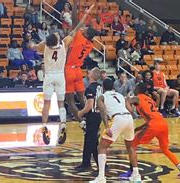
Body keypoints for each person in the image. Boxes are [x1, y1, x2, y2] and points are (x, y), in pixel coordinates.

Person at [31, 4, 95, 145]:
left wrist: (34, 45)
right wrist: (85, 14)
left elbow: (35, 47)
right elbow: (78, 25)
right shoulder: (79, 44)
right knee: (76, 99)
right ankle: (75, 123)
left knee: (59, 102)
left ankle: (44, 126)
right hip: (73, 71)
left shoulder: (46, 46)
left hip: (59, 73)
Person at [120, 83, 180, 180]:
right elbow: (151, 118)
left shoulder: (138, 97)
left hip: (154, 124)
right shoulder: (150, 99)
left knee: (131, 146)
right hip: (162, 123)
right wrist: (139, 128)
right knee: (165, 149)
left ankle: (133, 172)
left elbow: (127, 100)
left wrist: (131, 113)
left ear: (138, 89)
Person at [92, 79, 140, 182]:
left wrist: (107, 126)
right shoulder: (120, 95)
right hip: (128, 118)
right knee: (131, 147)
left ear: (103, 87)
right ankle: (136, 175)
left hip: (117, 118)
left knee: (101, 147)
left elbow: (103, 111)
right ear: (113, 86)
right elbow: (130, 109)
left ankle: (101, 177)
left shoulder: (102, 97)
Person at [65, 26, 97, 131]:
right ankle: (91, 119)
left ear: (87, 35)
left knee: (70, 101)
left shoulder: (79, 38)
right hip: (78, 71)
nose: (83, 30)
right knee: (82, 98)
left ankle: (82, 122)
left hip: (69, 69)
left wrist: (74, 9)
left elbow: (76, 24)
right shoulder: (90, 45)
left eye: (86, 30)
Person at [75, 68, 101, 171]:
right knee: (93, 140)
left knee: (90, 140)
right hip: (98, 115)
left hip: (92, 115)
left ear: (92, 75)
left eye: (90, 72)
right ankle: (99, 163)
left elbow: (89, 105)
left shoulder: (90, 88)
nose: (88, 72)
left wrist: (80, 113)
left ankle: (86, 164)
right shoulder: (100, 87)